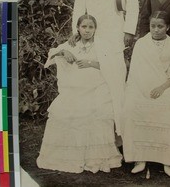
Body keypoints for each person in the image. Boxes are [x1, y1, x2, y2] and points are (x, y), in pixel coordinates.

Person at [37, 14, 123, 173]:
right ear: (77, 28)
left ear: (95, 29)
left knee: (96, 110)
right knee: (66, 109)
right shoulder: (72, 44)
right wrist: (63, 51)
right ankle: (68, 155)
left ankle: (95, 156)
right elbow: (51, 54)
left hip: (97, 86)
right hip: (75, 87)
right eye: (84, 27)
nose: (87, 30)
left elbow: (114, 65)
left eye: (91, 27)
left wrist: (92, 63)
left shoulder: (102, 45)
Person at [122, 11, 170, 177]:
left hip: (165, 86)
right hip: (142, 87)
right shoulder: (141, 44)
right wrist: (142, 89)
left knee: (168, 107)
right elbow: (135, 72)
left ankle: (168, 159)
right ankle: (139, 158)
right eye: (152, 26)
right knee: (134, 106)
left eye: (160, 26)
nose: (155, 30)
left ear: (167, 27)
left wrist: (161, 88)